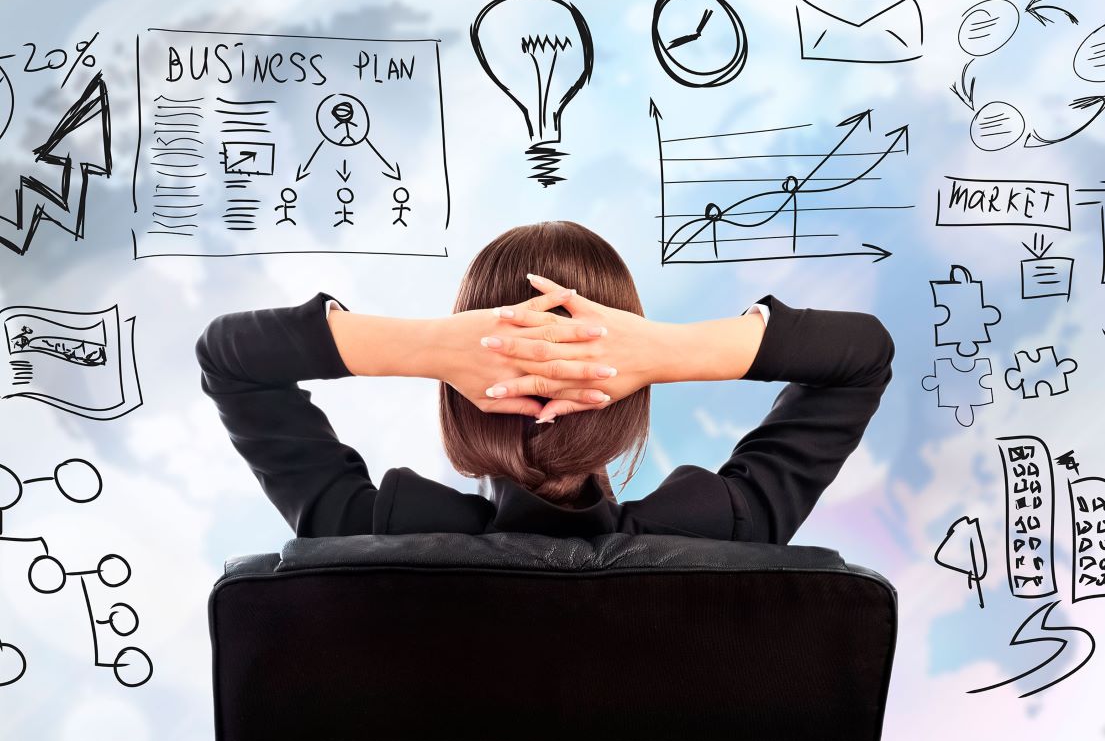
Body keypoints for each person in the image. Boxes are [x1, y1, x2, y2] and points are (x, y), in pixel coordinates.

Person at [195, 220, 894, 544]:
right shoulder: (731, 534)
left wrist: (429, 343)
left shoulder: (361, 535)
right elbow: (860, 356)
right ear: (631, 393)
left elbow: (231, 358)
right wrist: (670, 350)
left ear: (457, 393)